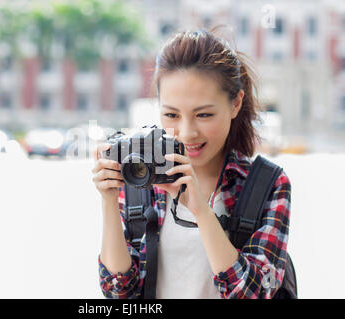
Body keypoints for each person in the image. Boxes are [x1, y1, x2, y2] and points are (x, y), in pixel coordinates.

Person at [91, 29, 291, 299]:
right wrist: (108, 201)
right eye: (171, 114)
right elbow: (119, 291)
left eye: (204, 114)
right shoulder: (142, 180)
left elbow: (255, 292)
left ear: (235, 104)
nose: (186, 133)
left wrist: (201, 212)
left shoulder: (266, 184)